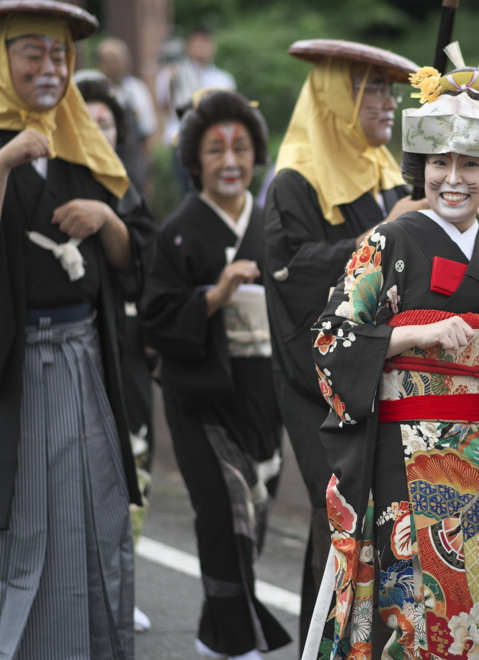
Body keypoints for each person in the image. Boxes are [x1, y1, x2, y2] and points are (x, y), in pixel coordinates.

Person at [307, 42, 479, 660]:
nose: (453, 179)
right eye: (439, 162)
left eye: (472, 165)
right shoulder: (390, 238)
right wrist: (413, 335)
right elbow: (330, 340)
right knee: (413, 616)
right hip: (404, 459)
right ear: (419, 165)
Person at [0, 0, 155, 659]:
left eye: (60, 56)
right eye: (33, 54)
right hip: (14, 365)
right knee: (22, 522)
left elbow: (140, 246)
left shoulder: (81, 138)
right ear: (0, 61)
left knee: (95, 510)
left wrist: (104, 221)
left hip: (85, 356)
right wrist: (1, 167)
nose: (49, 68)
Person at [262, 38, 424, 648]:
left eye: (390, 89)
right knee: (341, 521)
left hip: (388, 372)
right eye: (371, 88)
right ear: (335, 97)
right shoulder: (294, 183)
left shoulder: (389, 174)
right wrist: (387, 229)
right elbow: (299, 277)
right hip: (320, 383)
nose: (388, 102)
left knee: (386, 524)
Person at [141, 88, 291, 660]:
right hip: (201, 397)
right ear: (194, 161)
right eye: (215, 150)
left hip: (263, 392)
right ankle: (235, 641)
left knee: (252, 510)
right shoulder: (178, 231)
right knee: (222, 512)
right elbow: (154, 318)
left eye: (241, 147)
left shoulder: (272, 224)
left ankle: (211, 631)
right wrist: (214, 295)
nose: (231, 161)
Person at [76, 72, 158, 635]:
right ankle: (76, 590)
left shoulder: (127, 189)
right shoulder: (50, 182)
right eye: (88, 121)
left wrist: (108, 219)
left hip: (125, 351)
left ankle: (119, 585)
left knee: (132, 467)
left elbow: (142, 272)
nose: (99, 130)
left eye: (107, 122)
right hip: (71, 343)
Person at [155, 26, 235, 146]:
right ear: (188, 46)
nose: (201, 47)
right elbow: (163, 104)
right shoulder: (174, 73)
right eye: (197, 43)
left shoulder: (224, 78)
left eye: (205, 42)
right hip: (182, 137)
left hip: (216, 138)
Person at [95, 37, 157, 188]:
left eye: (121, 58)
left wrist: (146, 171)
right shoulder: (94, 90)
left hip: (133, 165)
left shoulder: (137, 89)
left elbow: (148, 132)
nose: (117, 64)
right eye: (110, 60)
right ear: (100, 64)